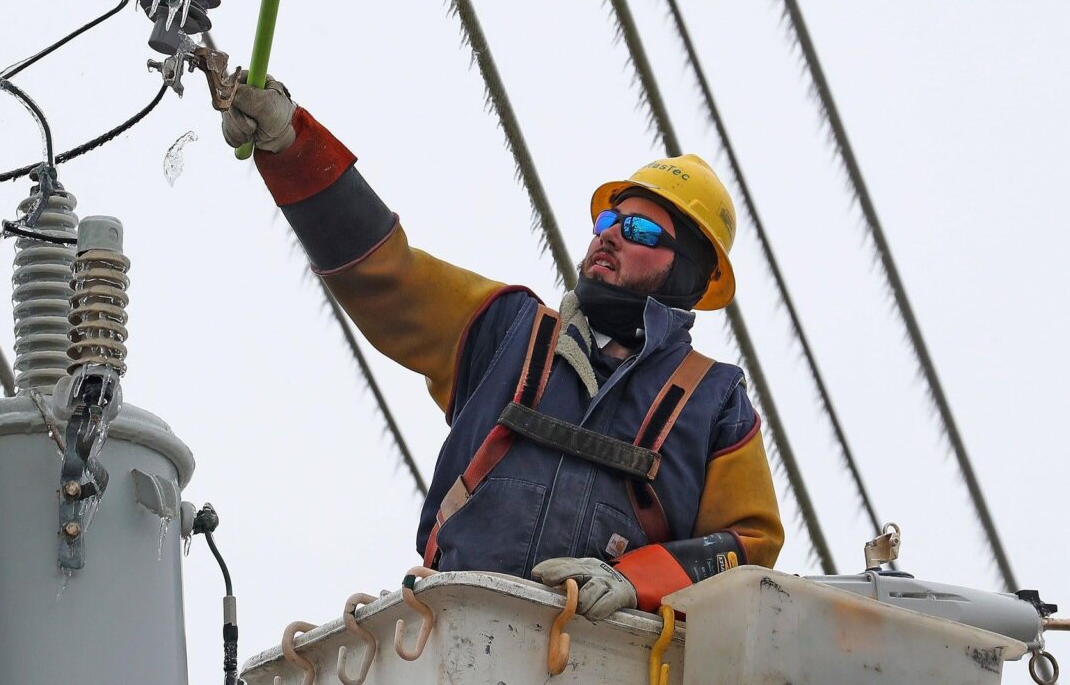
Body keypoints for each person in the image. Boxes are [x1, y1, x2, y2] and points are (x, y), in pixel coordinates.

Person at [221, 79, 783, 619]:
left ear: (685, 273)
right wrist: (291, 146)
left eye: (638, 231)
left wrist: (637, 581)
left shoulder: (715, 402)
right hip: (462, 637)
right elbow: (382, 270)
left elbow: (748, 546)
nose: (607, 234)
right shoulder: (507, 329)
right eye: (609, 218)